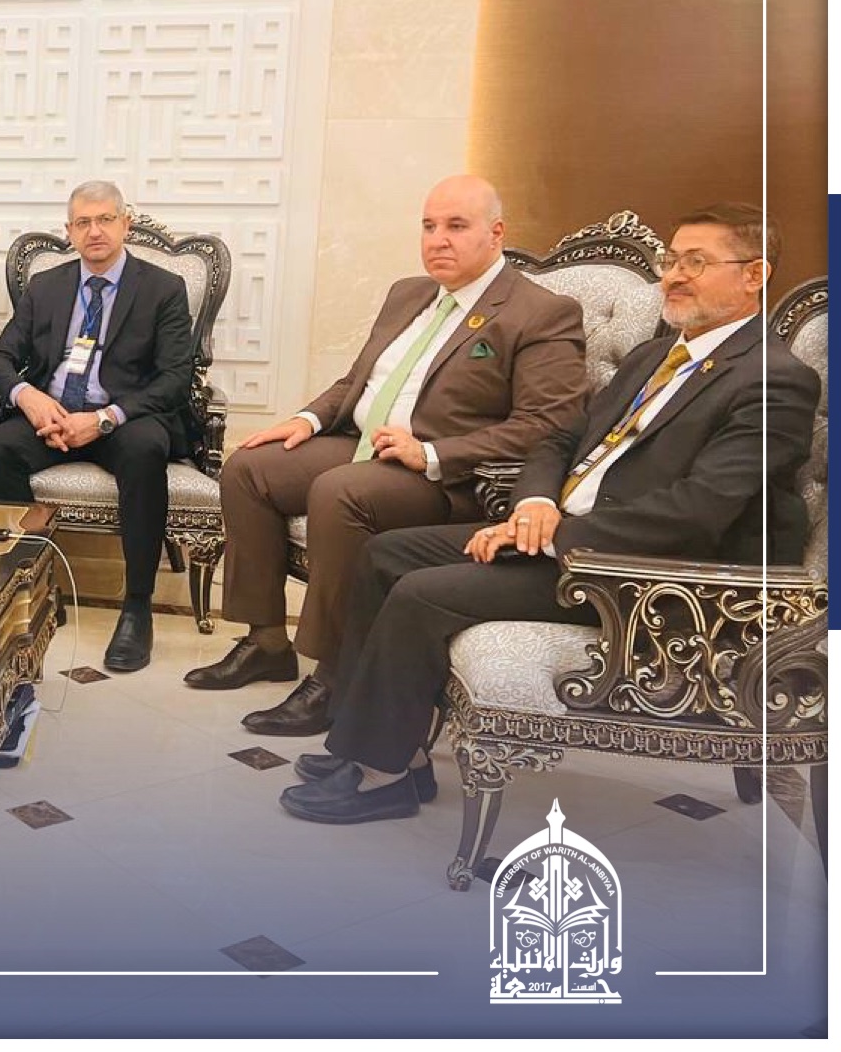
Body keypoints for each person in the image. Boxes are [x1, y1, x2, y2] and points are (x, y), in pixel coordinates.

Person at [280, 203, 819, 824]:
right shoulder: (654, 358)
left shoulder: (775, 380)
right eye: (671, 260)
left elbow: (698, 511)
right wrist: (534, 503)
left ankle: (382, 777)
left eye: (695, 262)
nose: (673, 275)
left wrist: (552, 536)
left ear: (754, 274)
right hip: (562, 531)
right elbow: (560, 437)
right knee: (385, 552)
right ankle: (390, 748)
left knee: (422, 593)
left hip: (641, 574)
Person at [191, 176, 588, 739]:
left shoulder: (541, 312)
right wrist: (305, 420)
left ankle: (336, 674)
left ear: (496, 233)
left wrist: (431, 452)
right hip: (364, 444)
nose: (438, 240)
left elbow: (548, 424)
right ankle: (266, 641)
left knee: (340, 492)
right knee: (250, 468)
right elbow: (358, 380)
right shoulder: (410, 292)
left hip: (449, 477)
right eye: (429, 226)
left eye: (456, 226)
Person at [0, 180, 194, 672]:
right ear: (69, 231)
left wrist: (102, 419)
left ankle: (137, 607)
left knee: (145, 451)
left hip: (124, 417)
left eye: (105, 220)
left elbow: (175, 379)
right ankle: (33, 586)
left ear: (125, 224)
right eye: (83, 223)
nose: (94, 231)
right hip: (54, 415)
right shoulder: (46, 286)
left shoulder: (162, 289)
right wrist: (29, 397)